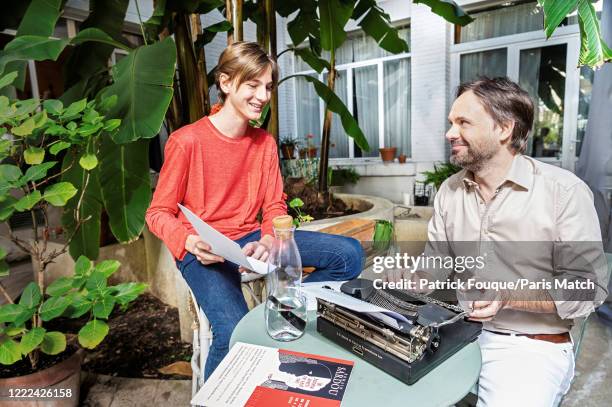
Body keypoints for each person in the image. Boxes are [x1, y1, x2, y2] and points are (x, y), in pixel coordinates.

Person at [145, 42, 364, 379]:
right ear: (226, 82)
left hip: (251, 238)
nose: (263, 96)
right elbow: (157, 213)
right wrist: (190, 243)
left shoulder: (264, 143)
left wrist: (267, 239)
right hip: (203, 248)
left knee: (349, 255)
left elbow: (274, 204)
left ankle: (281, 313)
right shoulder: (186, 141)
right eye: (253, 85)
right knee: (232, 329)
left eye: (268, 86)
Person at [403, 77, 608, 406]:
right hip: (458, 332)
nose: (450, 133)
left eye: (463, 122)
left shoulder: (563, 192)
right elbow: (438, 262)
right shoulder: (450, 191)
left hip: (530, 345)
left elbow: (588, 289)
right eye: (451, 123)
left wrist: (509, 295)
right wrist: (413, 279)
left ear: (503, 128)